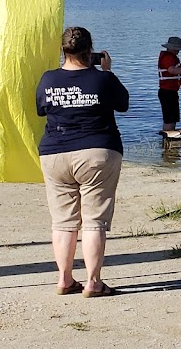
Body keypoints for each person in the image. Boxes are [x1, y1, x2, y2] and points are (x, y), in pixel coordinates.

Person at [36, 26, 129, 298]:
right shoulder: (102, 79)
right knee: (94, 221)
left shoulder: (48, 79)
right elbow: (123, 104)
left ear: (63, 50)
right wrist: (108, 72)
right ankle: (93, 281)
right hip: (97, 150)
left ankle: (65, 279)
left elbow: (41, 108)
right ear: (91, 52)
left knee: (63, 221)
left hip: (55, 152)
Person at [158, 36, 181, 131]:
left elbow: (179, 69)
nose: (178, 51)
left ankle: (171, 137)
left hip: (172, 91)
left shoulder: (173, 58)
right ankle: (168, 135)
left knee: (173, 117)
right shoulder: (167, 57)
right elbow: (172, 70)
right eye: (177, 49)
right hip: (167, 92)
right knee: (169, 118)